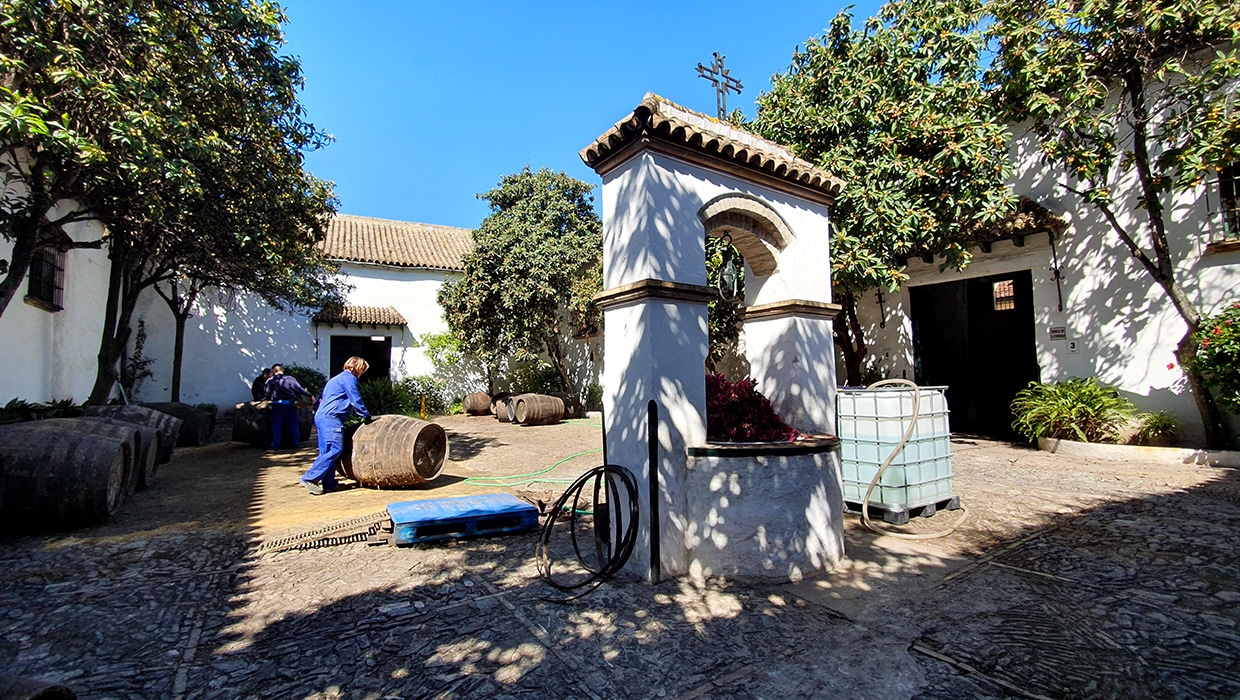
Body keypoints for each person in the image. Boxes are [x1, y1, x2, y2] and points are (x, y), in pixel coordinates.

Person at [300, 356, 371, 495]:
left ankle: (329, 483)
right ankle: (310, 478)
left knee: (326, 451)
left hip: (322, 417)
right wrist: (365, 415)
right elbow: (355, 398)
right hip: (332, 418)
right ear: (357, 367)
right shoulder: (349, 379)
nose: (361, 373)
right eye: (362, 370)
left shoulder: (335, 379)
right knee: (335, 448)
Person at [266, 364, 312, 449]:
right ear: (282, 370)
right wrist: (309, 395)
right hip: (289, 404)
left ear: (274, 371)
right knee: (293, 424)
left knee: (276, 425)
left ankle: (276, 444)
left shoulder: (270, 381)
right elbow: (299, 389)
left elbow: (267, 393)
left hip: (276, 404)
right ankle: (295, 443)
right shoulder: (289, 379)